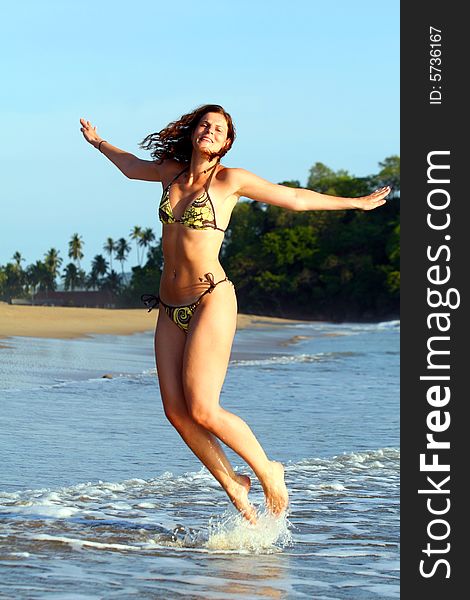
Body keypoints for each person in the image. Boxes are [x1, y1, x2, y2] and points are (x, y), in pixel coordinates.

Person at [79, 104, 390, 524]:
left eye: (218, 129)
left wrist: (355, 203)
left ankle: (268, 471)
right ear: (194, 134)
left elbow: (295, 199)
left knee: (204, 408)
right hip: (170, 306)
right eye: (204, 124)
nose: (209, 131)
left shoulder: (229, 180)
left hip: (212, 297)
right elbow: (131, 166)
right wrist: (99, 142)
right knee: (175, 411)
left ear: (225, 143)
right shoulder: (170, 173)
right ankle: (234, 485)